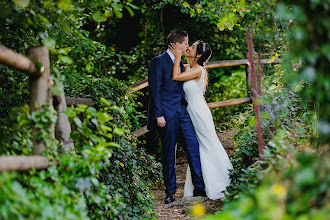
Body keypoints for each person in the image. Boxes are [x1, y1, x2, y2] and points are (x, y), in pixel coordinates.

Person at [147, 29, 206, 204]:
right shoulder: (158, 62)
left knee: (193, 146)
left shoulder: (181, 63)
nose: (187, 46)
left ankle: (200, 188)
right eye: (186, 43)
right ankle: (170, 192)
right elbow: (155, 91)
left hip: (182, 112)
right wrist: (159, 115)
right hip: (166, 114)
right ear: (177, 44)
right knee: (169, 153)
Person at [168, 40, 233, 200]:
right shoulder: (189, 67)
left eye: (192, 47)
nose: (188, 47)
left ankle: (222, 182)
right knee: (198, 146)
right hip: (192, 110)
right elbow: (174, 70)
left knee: (208, 144)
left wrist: (177, 57)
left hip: (199, 112)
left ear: (198, 55)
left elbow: (176, 77)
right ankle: (201, 184)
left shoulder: (198, 70)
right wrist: (177, 56)